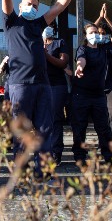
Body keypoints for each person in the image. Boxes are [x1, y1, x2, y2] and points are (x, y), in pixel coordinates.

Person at [1, 0, 83, 179]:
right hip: (20, 84)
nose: (32, 8)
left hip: (43, 85)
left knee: (46, 128)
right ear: (20, 6)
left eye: (35, 5)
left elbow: (59, 6)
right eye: (28, 4)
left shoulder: (38, 24)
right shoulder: (11, 22)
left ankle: (42, 170)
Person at [71, 10, 112, 164]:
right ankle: (79, 155)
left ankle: (108, 155)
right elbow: (81, 60)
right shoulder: (82, 49)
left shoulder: (105, 50)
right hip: (81, 95)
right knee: (80, 127)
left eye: (96, 32)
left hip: (98, 95)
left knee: (103, 127)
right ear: (86, 36)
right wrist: (79, 68)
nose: (95, 34)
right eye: (91, 32)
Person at [94, 3, 112, 139]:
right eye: (98, 34)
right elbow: (86, 30)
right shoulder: (92, 47)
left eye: (103, 34)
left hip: (110, 86)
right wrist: (99, 18)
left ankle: (111, 140)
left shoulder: (109, 47)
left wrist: (106, 18)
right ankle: (102, 140)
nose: (100, 36)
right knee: (99, 115)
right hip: (96, 87)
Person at [42, 24, 69, 166]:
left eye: (50, 26)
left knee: (56, 119)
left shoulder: (60, 43)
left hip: (57, 85)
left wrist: (46, 54)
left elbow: (63, 63)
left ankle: (56, 153)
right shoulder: (37, 43)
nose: (47, 28)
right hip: (41, 85)